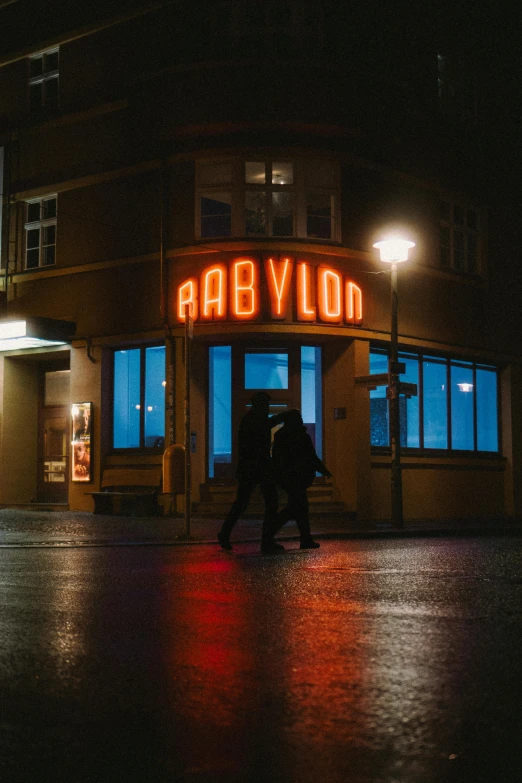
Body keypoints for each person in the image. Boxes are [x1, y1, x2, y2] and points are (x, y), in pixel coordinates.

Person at [218, 391, 285, 554]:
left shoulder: (250, 419)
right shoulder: (255, 420)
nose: (268, 408)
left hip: (251, 469)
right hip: (256, 468)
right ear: (261, 405)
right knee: (269, 502)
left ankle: (226, 534)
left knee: (244, 503)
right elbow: (263, 432)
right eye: (266, 405)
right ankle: (266, 541)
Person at [271, 409, 332, 549]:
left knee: (299, 509)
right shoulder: (302, 436)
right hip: (299, 477)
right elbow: (311, 457)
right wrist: (324, 471)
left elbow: (277, 458)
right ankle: (271, 533)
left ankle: (305, 538)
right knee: (297, 509)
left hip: (288, 478)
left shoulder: (280, 435)